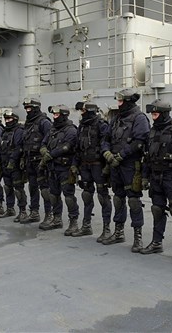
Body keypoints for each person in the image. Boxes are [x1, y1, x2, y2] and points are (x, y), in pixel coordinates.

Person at [141, 99, 172, 264]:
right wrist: (144, 176)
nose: (153, 117)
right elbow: (147, 157)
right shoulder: (152, 132)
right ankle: (157, 242)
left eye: (155, 114)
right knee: (157, 209)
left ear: (163, 113)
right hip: (156, 177)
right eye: (152, 114)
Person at [101, 89, 150, 252]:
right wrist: (107, 153)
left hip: (130, 165)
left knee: (134, 200)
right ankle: (118, 232)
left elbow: (140, 141)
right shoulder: (116, 119)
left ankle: (138, 237)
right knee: (118, 198)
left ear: (128, 101)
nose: (118, 104)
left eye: (121, 101)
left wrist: (122, 155)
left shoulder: (139, 118)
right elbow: (106, 139)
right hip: (115, 165)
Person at [71, 101, 112, 239]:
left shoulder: (102, 126)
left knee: (103, 196)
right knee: (87, 195)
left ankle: (107, 229)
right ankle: (86, 226)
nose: (81, 113)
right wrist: (74, 164)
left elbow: (107, 145)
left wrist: (107, 167)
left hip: (98, 166)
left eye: (83, 110)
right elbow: (77, 147)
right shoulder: (81, 127)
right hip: (85, 166)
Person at [39, 104, 80, 234]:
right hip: (52, 167)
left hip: (65, 168)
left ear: (63, 115)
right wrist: (44, 150)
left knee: (68, 196)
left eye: (57, 115)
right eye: (53, 115)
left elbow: (66, 147)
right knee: (54, 195)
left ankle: (73, 222)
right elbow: (44, 142)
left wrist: (50, 155)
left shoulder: (71, 130)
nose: (54, 117)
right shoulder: (52, 129)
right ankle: (57, 219)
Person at [22, 98, 52, 225]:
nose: (28, 111)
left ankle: (49, 214)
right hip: (29, 160)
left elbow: (49, 140)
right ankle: (34, 212)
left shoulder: (44, 122)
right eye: (26, 108)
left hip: (40, 161)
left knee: (45, 189)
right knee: (32, 187)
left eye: (30, 108)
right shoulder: (28, 123)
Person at [0, 110, 27, 221]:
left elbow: (19, 147)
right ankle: (10, 208)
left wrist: (12, 160)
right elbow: (0, 147)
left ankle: (22, 210)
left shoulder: (18, 131)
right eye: (6, 119)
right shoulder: (4, 132)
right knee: (7, 187)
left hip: (15, 165)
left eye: (10, 119)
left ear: (14, 119)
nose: (8, 121)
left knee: (18, 189)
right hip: (4, 164)